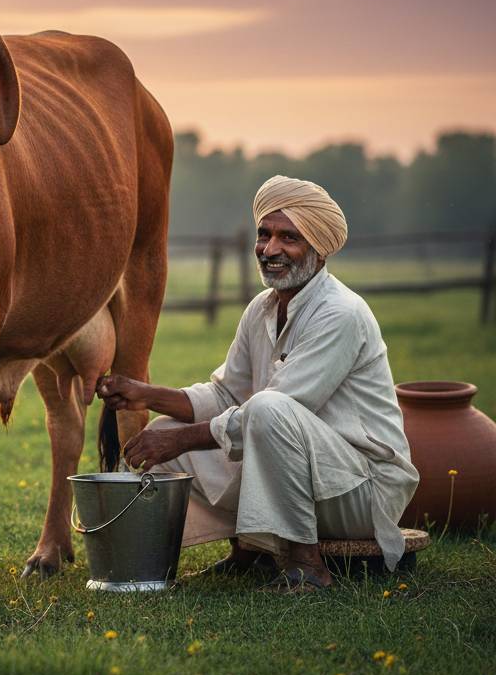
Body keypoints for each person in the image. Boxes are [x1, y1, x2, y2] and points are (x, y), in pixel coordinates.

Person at [96, 175, 419, 591]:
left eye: (289, 238)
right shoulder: (262, 308)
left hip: (363, 487)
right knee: (166, 436)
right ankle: (247, 555)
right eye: (264, 234)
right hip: (312, 472)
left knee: (265, 412)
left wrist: (184, 440)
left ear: (319, 250)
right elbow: (228, 394)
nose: (270, 250)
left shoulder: (341, 313)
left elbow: (276, 408)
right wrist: (148, 394)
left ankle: (306, 567)